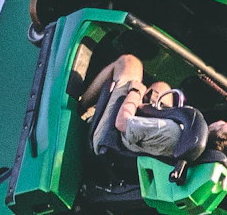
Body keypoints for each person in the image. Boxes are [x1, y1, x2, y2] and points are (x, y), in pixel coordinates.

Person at [77, 52, 208, 165]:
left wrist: (136, 91)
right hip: (134, 143)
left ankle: (77, 108)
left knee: (130, 62)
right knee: (162, 87)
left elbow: (122, 123)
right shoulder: (190, 143)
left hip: (109, 139)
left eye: (226, 125)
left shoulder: (171, 132)